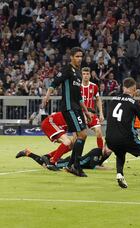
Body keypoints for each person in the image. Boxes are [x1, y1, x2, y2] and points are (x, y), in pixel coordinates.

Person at [42, 47, 92, 177]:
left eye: (81, 56)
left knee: (82, 135)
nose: (80, 59)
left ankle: (72, 165)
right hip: (69, 107)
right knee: (81, 134)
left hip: (77, 107)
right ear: (71, 57)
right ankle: (75, 165)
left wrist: (86, 112)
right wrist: (47, 96)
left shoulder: (78, 72)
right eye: (77, 56)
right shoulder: (67, 69)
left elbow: (79, 95)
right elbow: (54, 82)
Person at [16, 146, 112, 170]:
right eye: (108, 149)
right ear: (104, 146)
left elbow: (99, 163)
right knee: (48, 166)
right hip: (71, 163)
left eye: (111, 150)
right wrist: (107, 169)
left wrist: (103, 165)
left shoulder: (107, 153)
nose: (109, 151)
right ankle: (28, 153)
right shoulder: (96, 151)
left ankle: (29, 153)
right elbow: (93, 166)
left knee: (49, 163)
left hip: (73, 162)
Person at [81, 67, 105, 149]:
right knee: (78, 138)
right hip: (80, 115)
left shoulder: (94, 86)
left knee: (99, 132)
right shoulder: (77, 87)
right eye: (84, 74)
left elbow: (98, 99)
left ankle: (100, 155)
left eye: (87, 74)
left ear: (90, 75)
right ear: (81, 75)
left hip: (91, 115)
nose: (85, 76)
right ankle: (76, 158)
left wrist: (101, 113)